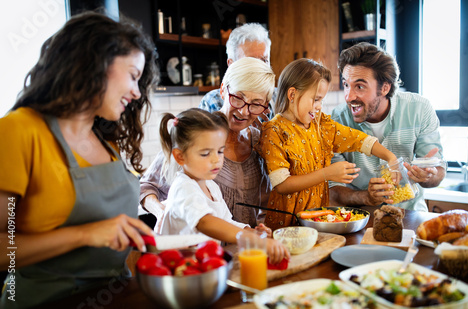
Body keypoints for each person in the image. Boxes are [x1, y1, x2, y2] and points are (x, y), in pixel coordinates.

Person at [0, 12, 159, 308]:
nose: (137, 93)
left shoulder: (106, 141)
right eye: (133, 76)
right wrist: (86, 234)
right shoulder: (18, 131)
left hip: (116, 297)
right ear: (95, 63)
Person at [257, 58, 397, 230]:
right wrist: (327, 174)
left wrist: (390, 157)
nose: (319, 106)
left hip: (318, 221)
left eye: (321, 100)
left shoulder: (321, 124)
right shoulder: (274, 131)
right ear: (292, 94)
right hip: (286, 225)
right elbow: (282, 185)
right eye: (315, 99)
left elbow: (357, 139)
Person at [141, 57, 275, 231]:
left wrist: (252, 231)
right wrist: (161, 212)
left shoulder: (261, 143)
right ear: (222, 91)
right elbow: (146, 187)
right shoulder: (197, 135)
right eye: (238, 98)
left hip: (239, 250)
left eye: (256, 104)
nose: (243, 111)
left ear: (265, 108)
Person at [156, 108, 289, 264]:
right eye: (205, 153)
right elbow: (206, 222)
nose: (216, 160)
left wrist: (252, 233)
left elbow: (226, 222)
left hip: (203, 264)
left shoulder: (211, 186)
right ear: (180, 157)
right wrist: (255, 241)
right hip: (176, 269)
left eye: (220, 151)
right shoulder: (183, 187)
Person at [330, 42, 446, 212]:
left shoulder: (419, 109)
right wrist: (367, 197)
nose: (349, 96)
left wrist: (428, 175)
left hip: (411, 215)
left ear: (384, 88)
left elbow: (439, 172)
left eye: (359, 86)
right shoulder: (337, 120)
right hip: (361, 220)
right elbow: (333, 190)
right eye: (346, 84)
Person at [198, 23, 274, 115]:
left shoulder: (279, 97)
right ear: (231, 64)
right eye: (250, 62)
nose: (259, 69)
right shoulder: (213, 101)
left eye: (264, 61)